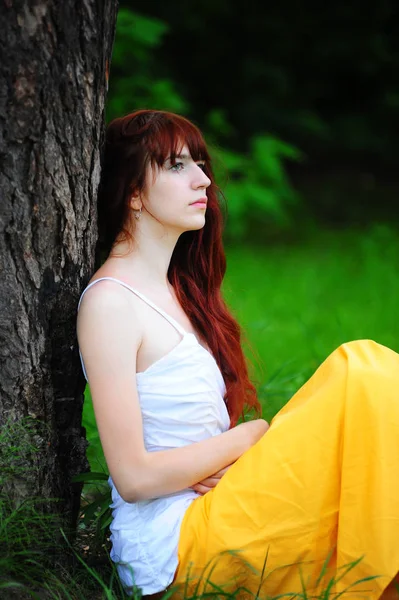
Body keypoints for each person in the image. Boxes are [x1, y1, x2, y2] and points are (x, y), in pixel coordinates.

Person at [76, 109, 399, 600]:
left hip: (218, 506)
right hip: (177, 547)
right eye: (177, 166)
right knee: (363, 370)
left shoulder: (174, 293)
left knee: (367, 436)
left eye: (200, 164)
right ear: (134, 194)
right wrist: (250, 436)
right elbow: (135, 476)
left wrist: (226, 461)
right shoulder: (110, 303)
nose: (204, 179)